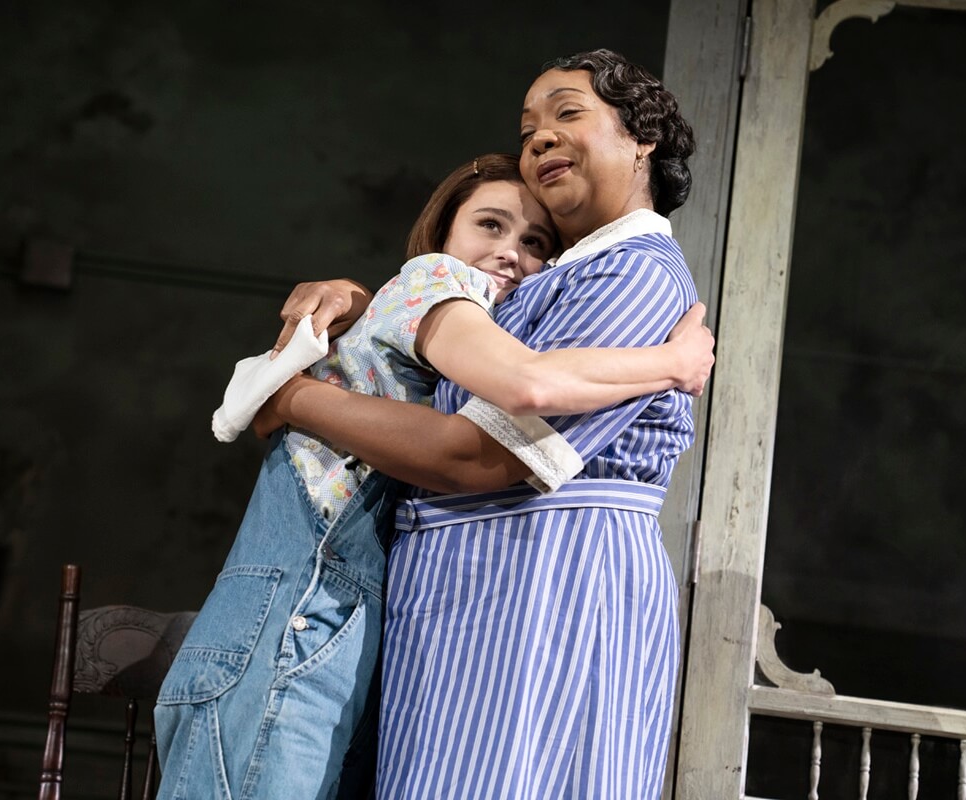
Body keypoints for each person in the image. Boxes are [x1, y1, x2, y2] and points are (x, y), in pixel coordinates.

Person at [154, 153, 713, 800]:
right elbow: (514, 396)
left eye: (536, 243)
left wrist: (355, 303)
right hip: (290, 627)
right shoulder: (436, 281)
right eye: (490, 225)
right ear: (443, 235)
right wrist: (671, 362)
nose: (511, 253)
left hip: (334, 640)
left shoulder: (462, 340)